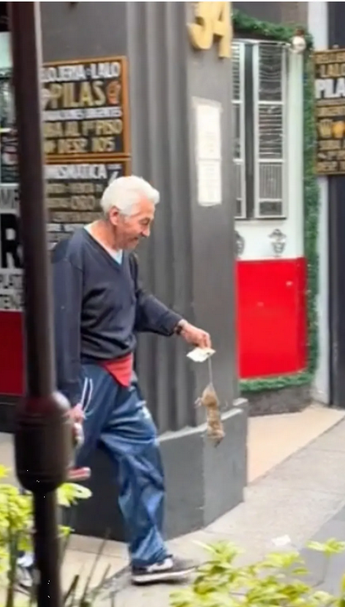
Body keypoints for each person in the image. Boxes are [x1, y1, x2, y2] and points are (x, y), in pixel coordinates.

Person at [50, 175, 212, 586]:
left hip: (122, 379)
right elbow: (60, 328)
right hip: (87, 380)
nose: (147, 231)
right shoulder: (72, 255)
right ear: (115, 215)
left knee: (144, 462)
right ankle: (28, 560)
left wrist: (180, 326)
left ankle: (149, 558)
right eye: (143, 222)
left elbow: (137, 302)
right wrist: (68, 398)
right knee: (58, 471)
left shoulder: (126, 257)